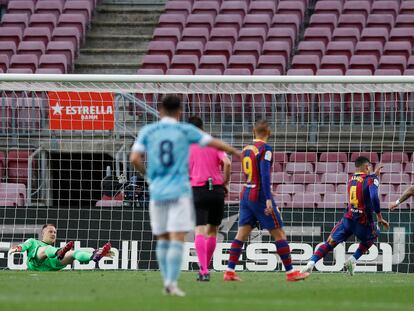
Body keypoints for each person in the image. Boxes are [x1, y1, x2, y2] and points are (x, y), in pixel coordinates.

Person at [129, 95, 241, 296]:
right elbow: (226, 159)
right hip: (208, 189)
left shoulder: (157, 134)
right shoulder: (189, 134)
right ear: (179, 112)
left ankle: (181, 276)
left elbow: (135, 158)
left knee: (175, 235)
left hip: (183, 189)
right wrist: (233, 154)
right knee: (207, 231)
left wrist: (147, 176)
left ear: (161, 111)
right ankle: (194, 273)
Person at [223, 120, 310, 282]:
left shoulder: (246, 149)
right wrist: (268, 198)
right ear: (269, 133)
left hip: (246, 193)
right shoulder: (266, 149)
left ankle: (229, 271)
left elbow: (251, 174)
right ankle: (291, 272)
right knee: (279, 233)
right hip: (260, 197)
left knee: (241, 234)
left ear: (253, 131)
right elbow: (264, 174)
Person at [302, 157, 390, 276]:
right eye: (369, 167)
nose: (370, 169)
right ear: (366, 167)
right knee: (375, 233)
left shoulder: (351, 179)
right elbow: (374, 196)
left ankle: (310, 264)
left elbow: (363, 183)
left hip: (348, 219)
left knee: (330, 242)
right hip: (363, 222)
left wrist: (374, 175)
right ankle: (353, 260)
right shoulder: (371, 179)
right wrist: (379, 216)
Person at [188, 116, 231, 282]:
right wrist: (225, 183)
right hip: (217, 190)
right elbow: (227, 163)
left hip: (198, 190)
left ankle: (203, 270)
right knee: (213, 230)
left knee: (199, 230)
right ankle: (207, 267)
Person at [8, 224, 112, 271]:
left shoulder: (53, 249)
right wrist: (18, 248)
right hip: (35, 263)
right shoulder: (33, 241)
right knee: (45, 249)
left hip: (53, 263)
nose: (53, 234)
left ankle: (94, 256)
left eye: (55, 232)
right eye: (50, 231)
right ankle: (60, 252)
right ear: (43, 233)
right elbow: (24, 245)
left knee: (73, 253)